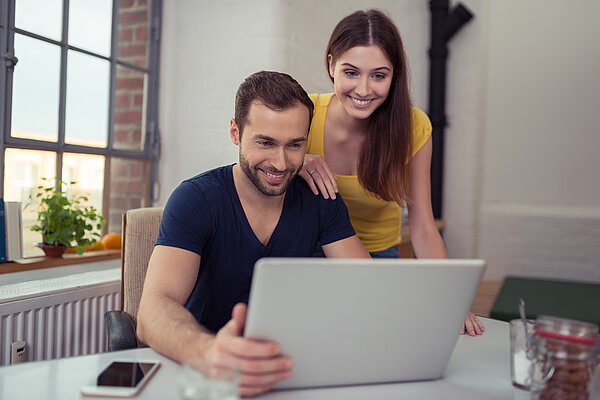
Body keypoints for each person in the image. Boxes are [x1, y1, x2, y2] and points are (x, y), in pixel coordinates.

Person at [136, 70, 369, 397]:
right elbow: (151, 312)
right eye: (265, 142)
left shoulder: (320, 199)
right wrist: (208, 351)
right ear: (235, 132)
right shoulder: (196, 199)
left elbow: (370, 290)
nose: (281, 162)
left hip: (289, 373)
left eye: (295, 145)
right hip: (210, 377)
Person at [298, 9, 484, 336]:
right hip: (309, 257)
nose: (364, 89)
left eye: (379, 75)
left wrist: (449, 297)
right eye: (351, 72)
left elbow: (424, 225)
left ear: (394, 75)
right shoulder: (304, 114)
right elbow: (253, 163)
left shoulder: (413, 128)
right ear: (331, 65)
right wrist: (296, 160)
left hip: (378, 261)